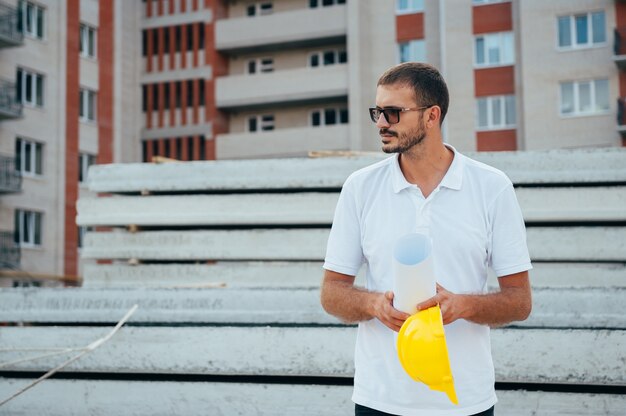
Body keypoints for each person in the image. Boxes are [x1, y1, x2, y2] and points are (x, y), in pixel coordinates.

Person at [320, 62, 532, 416]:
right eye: (377, 111)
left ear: (432, 116)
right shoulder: (360, 188)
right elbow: (331, 293)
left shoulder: (492, 187)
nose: (381, 123)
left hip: (464, 402)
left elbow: (519, 301)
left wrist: (462, 305)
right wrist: (373, 305)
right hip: (379, 401)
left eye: (393, 112)